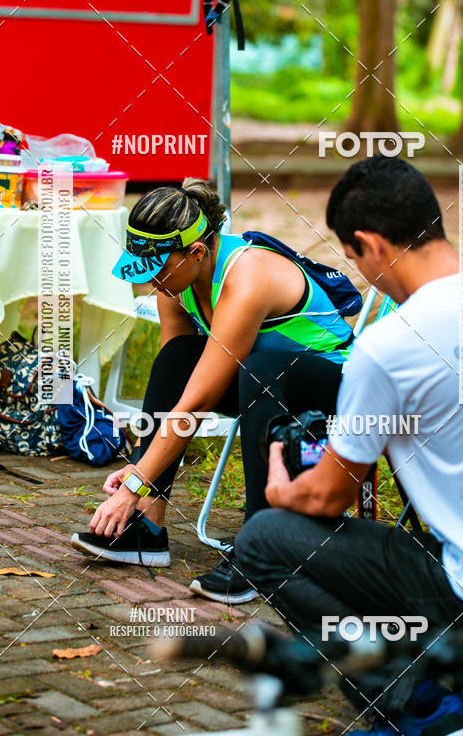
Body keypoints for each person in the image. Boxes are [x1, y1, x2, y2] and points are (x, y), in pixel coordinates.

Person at [236, 157, 463, 735]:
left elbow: (328, 501)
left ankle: (424, 709)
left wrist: (284, 487)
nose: (366, 275)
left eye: (355, 258)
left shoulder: (386, 349)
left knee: (264, 540)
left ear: (369, 244)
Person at [71, 178, 354, 604]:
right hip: (260, 382)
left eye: (157, 270)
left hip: (333, 388)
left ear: (197, 252)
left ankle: (263, 551)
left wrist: (134, 480)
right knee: (178, 356)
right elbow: (180, 378)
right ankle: (147, 527)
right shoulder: (177, 279)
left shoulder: (247, 277)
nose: (152, 283)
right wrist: (141, 474)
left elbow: (198, 402)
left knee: (262, 370)